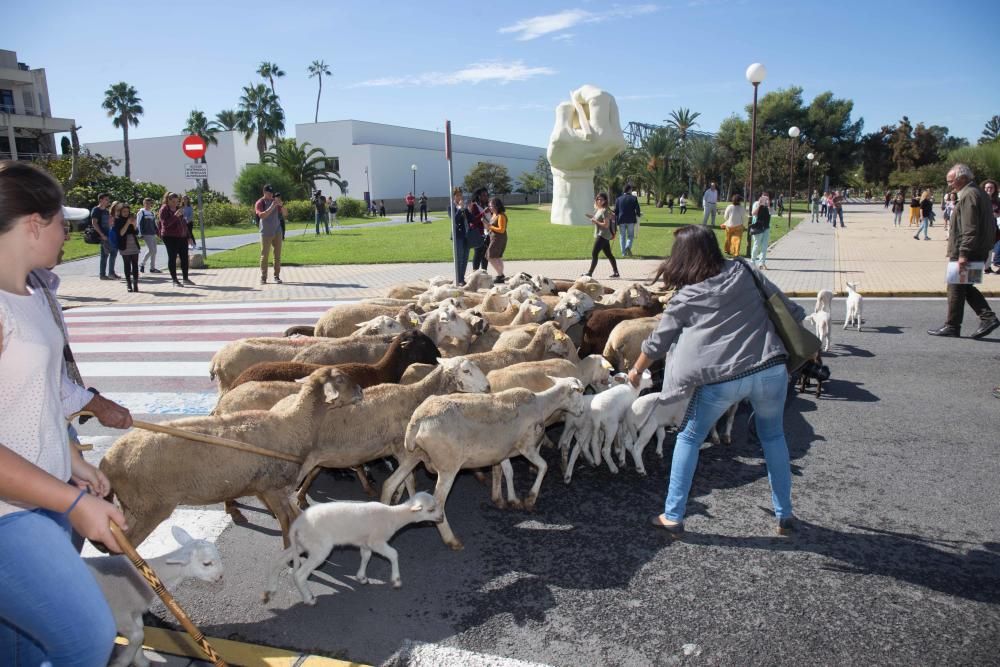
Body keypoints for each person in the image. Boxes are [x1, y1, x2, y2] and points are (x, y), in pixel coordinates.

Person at [0, 161, 136, 666]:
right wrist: (72, 502)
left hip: (40, 497)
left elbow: (36, 390)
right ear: (33, 224)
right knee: (86, 634)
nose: (69, 234)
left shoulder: (31, 295)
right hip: (10, 513)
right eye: (62, 222)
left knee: (20, 644)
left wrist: (72, 460)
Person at [628, 224, 802, 537]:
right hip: (771, 368)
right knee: (774, 437)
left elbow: (657, 343)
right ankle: (784, 513)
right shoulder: (744, 269)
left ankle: (673, 514)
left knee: (689, 437)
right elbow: (783, 303)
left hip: (724, 378)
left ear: (682, 257)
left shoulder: (685, 297)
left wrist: (636, 370)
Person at [927, 164, 999, 340]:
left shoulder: (969, 195)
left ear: (962, 178)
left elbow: (970, 228)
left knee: (955, 287)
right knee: (964, 286)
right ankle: (985, 318)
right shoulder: (978, 193)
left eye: (951, 181)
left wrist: (963, 254)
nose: (950, 185)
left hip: (968, 249)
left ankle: (955, 325)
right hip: (978, 248)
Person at [159, 193, 194, 287]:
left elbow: (184, 223)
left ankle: (185, 278)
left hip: (181, 236)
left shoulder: (179, 208)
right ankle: (174, 280)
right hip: (169, 236)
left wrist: (189, 236)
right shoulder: (164, 209)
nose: (175, 203)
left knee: (184, 257)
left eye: (177, 201)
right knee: (172, 257)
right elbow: (165, 224)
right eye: (173, 201)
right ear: (168, 200)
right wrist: (175, 216)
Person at [583, 192, 620, 279]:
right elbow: (598, 218)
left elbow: (606, 225)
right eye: (597, 199)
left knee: (594, 253)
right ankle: (616, 272)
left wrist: (595, 221)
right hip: (603, 235)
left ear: (605, 201)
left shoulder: (605, 210)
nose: (599, 201)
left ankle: (590, 273)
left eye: (601, 199)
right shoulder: (599, 210)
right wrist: (590, 216)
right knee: (609, 254)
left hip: (602, 235)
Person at [255, 184, 285, 284]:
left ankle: (277, 276)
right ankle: (263, 277)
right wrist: (272, 206)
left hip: (277, 231)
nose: (271, 195)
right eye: (269, 193)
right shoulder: (260, 202)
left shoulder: (275, 202)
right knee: (265, 255)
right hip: (266, 232)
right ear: (264, 192)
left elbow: (285, 214)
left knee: (277, 255)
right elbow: (262, 216)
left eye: (272, 193)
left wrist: (282, 205)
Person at [90, 193, 119, 281]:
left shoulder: (106, 211)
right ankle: (103, 274)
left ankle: (111, 273)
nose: (108, 201)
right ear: (100, 200)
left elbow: (110, 223)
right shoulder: (96, 210)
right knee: (105, 255)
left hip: (109, 235)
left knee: (114, 253)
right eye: (106, 199)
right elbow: (94, 223)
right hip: (102, 236)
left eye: (108, 199)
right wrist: (102, 235)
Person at [114, 210, 141, 292]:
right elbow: (121, 233)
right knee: (127, 265)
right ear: (121, 212)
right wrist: (127, 223)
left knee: (135, 265)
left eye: (127, 212)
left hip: (133, 244)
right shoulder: (118, 220)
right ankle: (129, 284)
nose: (126, 213)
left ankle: (135, 284)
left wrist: (134, 224)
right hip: (124, 245)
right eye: (124, 212)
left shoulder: (131, 219)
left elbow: (136, 232)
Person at [614, 183, 641, 256]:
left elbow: (616, 211)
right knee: (630, 236)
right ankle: (628, 247)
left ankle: (623, 253)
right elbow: (637, 209)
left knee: (622, 236)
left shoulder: (618, 199)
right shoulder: (634, 198)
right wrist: (638, 215)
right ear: (630, 190)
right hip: (631, 220)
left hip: (621, 220)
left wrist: (615, 220)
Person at [450, 188, 471, 285]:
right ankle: (459, 279)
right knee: (459, 258)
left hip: (467, 235)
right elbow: (454, 220)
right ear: (453, 196)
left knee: (465, 258)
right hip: (458, 236)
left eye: (460, 195)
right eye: (457, 195)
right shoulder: (451, 206)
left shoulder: (464, 206)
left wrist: (468, 209)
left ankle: (462, 278)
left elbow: (472, 218)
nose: (460, 197)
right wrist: (459, 209)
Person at [468, 188, 491, 272]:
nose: (486, 197)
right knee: (478, 253)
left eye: (487, 195)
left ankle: (484, 272)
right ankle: (475, 273)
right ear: (478, 196)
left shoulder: (488, 205)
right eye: (483, 195)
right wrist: (483, 213)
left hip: (488, 233)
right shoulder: (474, 206)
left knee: (486, 253)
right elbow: (473, 220)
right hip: (478, 233)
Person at [486, 197, 508, 284]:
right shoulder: (494, 215)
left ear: (496, 206)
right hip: (494, 237)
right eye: (489, 206)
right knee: (497, 257)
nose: (489, 207)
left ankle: (500, 275)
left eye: (491, 206)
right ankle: (500, 275)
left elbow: (501, 229)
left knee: (489, 256)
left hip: (499, 238)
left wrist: (490, 227)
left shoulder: (501, 216)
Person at [137, 197, 160, 274]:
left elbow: (154, 224)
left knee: (155, 251)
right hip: (146, 234)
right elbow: (138, 223)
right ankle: (142, 264)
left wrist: (158, 232)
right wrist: (140, 233)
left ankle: (152, 268)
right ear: (144, 203)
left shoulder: (152, 213)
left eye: (149, 203)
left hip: (152, 233)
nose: (148, 205)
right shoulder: (141, 212)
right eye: (146, 203)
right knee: (151, 250)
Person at [980, 180, 999, 273]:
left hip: (993, 226)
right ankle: (981, 266)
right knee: (981, 247)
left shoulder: (996, 201)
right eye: (987, 187)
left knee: (990, 248)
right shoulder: (980, 199)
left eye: (991, 187)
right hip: (981, 226)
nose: (989, 189)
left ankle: (987, 267)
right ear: (983, 188)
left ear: (995, 189)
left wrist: (997, 214)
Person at [749, 193, 772, 269]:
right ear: (760, 197)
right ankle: (752, 262)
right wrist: (759, 204)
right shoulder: (756, 203)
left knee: (764, 246)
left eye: (767, 198)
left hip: (766, 227)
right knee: (756, 245)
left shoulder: (768, 205)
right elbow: (753, 214)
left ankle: (761, 263)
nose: (765, 200)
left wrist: (768, 206)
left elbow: (771, 213)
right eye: (764, 198)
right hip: (758, 227)